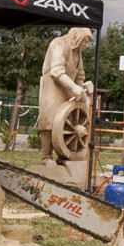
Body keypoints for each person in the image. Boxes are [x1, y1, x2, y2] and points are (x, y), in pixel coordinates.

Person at [37, 27, 94, 164]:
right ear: (78, 37)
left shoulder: (77, 52)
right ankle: (46, 157)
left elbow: (80, 74)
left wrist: (82, 87)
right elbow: (56, 70)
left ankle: (64, 155)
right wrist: (74, 87)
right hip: (52, 87)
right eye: (85, 42)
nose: (86, 46)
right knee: (50, 121)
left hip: (68, 88)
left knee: (67, 123)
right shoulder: (58, 44)